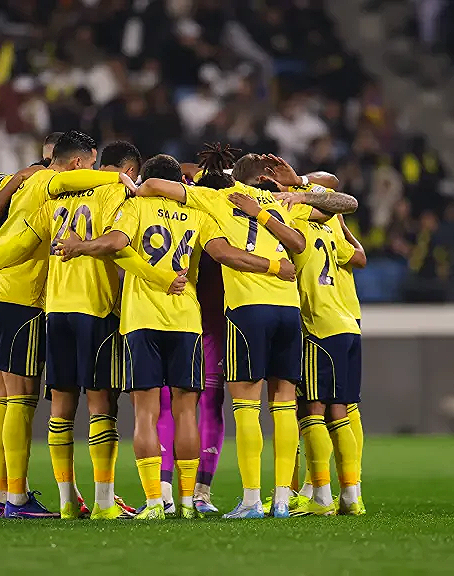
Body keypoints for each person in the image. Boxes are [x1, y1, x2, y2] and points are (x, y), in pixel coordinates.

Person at [58, 154, 297, 519]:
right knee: (189, 412)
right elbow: (222, 253)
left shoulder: (137, 205)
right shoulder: (200, 214)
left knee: (148, 413)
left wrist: (79, 247)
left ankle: (156, 501)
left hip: (142, 319)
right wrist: (273, 267)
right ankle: (188, 502)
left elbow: (117, 243)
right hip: (187, 320)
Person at [0, 141, 182, 520]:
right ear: (129, 171)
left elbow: (26, 239)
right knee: (103, 405)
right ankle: (104, 502)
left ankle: (68, 500)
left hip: (56, 309)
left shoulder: (59, 195)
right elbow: (118, 248)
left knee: (62, 408)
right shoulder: (117, 192)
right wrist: (159, 277)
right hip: (95, 307)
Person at [131, 143, 325, 519]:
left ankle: (251, 501)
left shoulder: (219, 199)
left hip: (247, 311)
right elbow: (304, 239)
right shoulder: (285, 204)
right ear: (267, 179)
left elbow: (158, 184)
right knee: (284, 406)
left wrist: (138, 188)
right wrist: (295, 189)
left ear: (237, 177)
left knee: (245, 407)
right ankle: (282, 499)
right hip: (288, 309)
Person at [228, 190, 365, 516]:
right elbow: (358, 257)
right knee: (342, 410)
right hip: (347, 321)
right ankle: (351, 494)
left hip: (317, 324)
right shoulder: (327, 224)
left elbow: (284, 234)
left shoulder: (295, 218)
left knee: (311, 410)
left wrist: (261, 210)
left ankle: (320, 495)